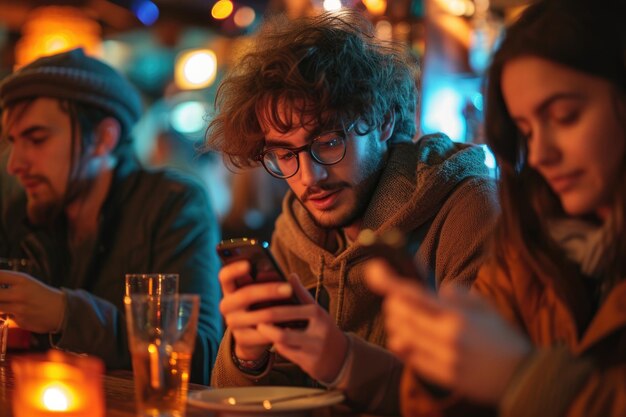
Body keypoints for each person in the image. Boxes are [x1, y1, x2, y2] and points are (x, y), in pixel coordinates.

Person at [204, 10, 498, 415]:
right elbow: (239, 403)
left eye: (327, 142)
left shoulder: (467, 211)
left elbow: (483, 399)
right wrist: (247, 356)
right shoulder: (296, 233)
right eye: (285, 154)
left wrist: (344, 362)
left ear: (383, 121)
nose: (310, 177)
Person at [366, 0, 626, 416]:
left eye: (564, 116)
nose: (539, 153)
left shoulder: (480, 209)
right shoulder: (527, 245)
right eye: (525, 130)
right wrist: (440, 362)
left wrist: (524, 380)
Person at [0, 48, 222, 384]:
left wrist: (65, 313)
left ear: (103, 138)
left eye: (37, 139)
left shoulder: (172, 204)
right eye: (13, 142)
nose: (15, 165)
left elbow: (201, 355)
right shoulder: (23, 213)